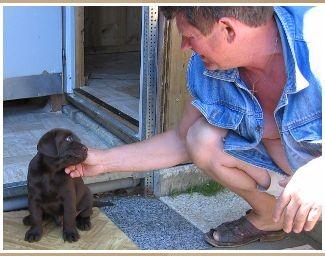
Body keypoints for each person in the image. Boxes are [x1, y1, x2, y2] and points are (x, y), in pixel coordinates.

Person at [66, 6, 323, 247]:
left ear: (228, 29)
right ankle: (270, 216)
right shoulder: (207, 70)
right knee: (202, 138)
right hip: (289, 173)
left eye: (190, 36)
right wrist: (102, 161)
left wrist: (318, 171)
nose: (184, 45)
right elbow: (181, 140)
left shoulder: (316, 45)